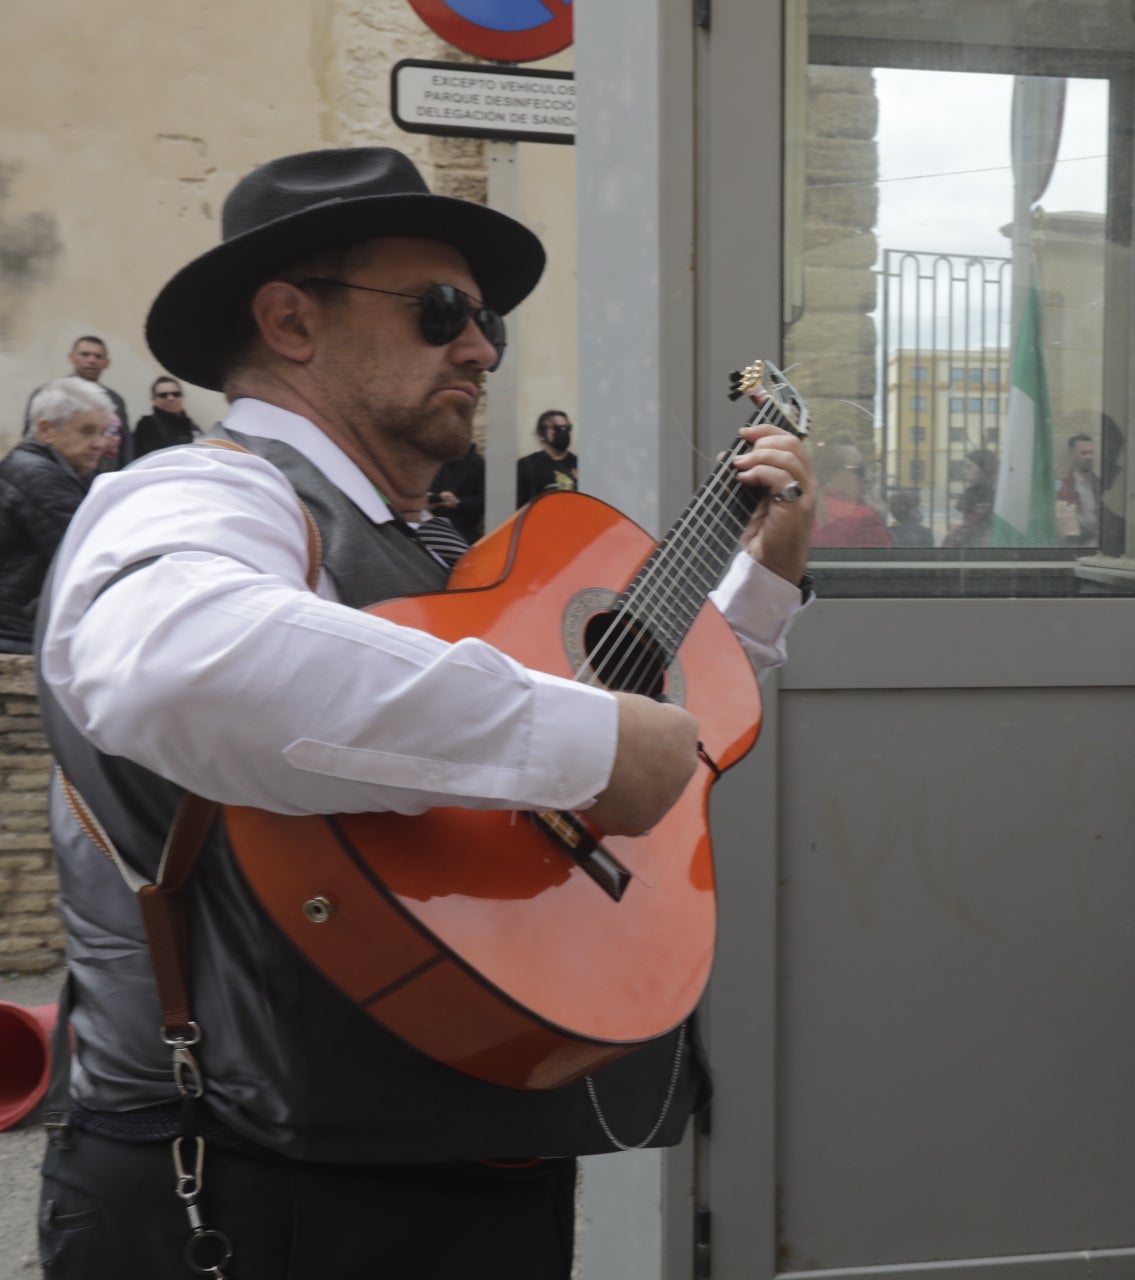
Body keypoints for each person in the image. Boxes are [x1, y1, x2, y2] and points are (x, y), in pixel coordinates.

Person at [34, 147, 817, 1279]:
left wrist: (761, 579)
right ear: (290, 321)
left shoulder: (430, 544)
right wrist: (589, 744)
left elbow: (622, 720)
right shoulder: (203, 490)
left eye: (485, 317)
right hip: (254, 1190)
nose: (484, 346)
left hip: (452, 1165)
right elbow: (179, 663)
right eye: (440, 310)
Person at [0, 379, 114, 653]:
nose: (100, 443)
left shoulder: (30, 466)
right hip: (20, 633)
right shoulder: (40, 476)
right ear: (45, 429)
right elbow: (86, 559)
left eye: (103, 431)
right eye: (87, 431)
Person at [23, 337, 131, 473]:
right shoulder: (51, 393)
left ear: (106, 363)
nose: (92, 360)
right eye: (85, 354)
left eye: (98, 356)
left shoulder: (115, 400)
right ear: (72, 357)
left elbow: (126, 444)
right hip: (60, 474)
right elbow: (31, 438)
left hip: (104, 476)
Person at [811, 441, 891, 547]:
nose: (867, 478)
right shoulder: (863, 518)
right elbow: (886, 560)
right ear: (828, 476)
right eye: (859, 470)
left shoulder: (801, 510)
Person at [515, 409, 578, 507]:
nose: (563, 432)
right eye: (557, 429)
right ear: (542, 435)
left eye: (567, 428)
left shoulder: (580, 464)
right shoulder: (526, 466)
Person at [429, 441, 486, 543]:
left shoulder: (476, 463)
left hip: (462, 533)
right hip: (429, 529)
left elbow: (486, 501)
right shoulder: (431, 460)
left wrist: (458, 503)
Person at [130, 376, 201, 457]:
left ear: (182, 397)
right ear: (153, 399)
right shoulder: (147, 425)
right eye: (163, 395)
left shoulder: (191, 425)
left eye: (176, 394)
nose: (170, 398)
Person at [1056, 432, 1099, 544]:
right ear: (1071, 455)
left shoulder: (1101, 486)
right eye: (1084, 453)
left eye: (1091, 453)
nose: (1089, 457)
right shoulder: (1064, 488)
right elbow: (1068, 530)